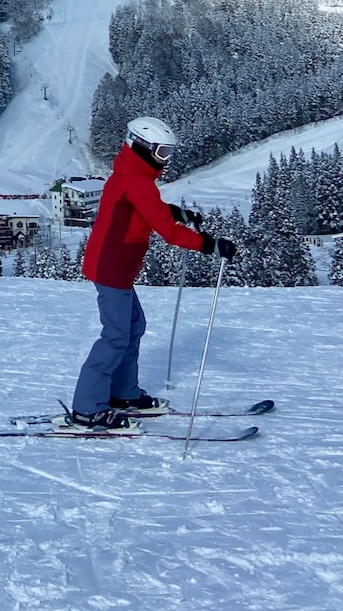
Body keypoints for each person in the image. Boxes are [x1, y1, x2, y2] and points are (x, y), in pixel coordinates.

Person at [61, 116, 237, 433]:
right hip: (111, 268)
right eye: (162, 152)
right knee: (115, 336)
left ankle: (123, 394)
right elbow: (168, 232)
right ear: (142, 147)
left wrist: (178, 212)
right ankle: (87, 408)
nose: (166, 161)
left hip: (118, 268)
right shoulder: (135, 181)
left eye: (169, 152)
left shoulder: (132, 177)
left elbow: (148, 207)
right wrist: (210, 244)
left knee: (133, 326)